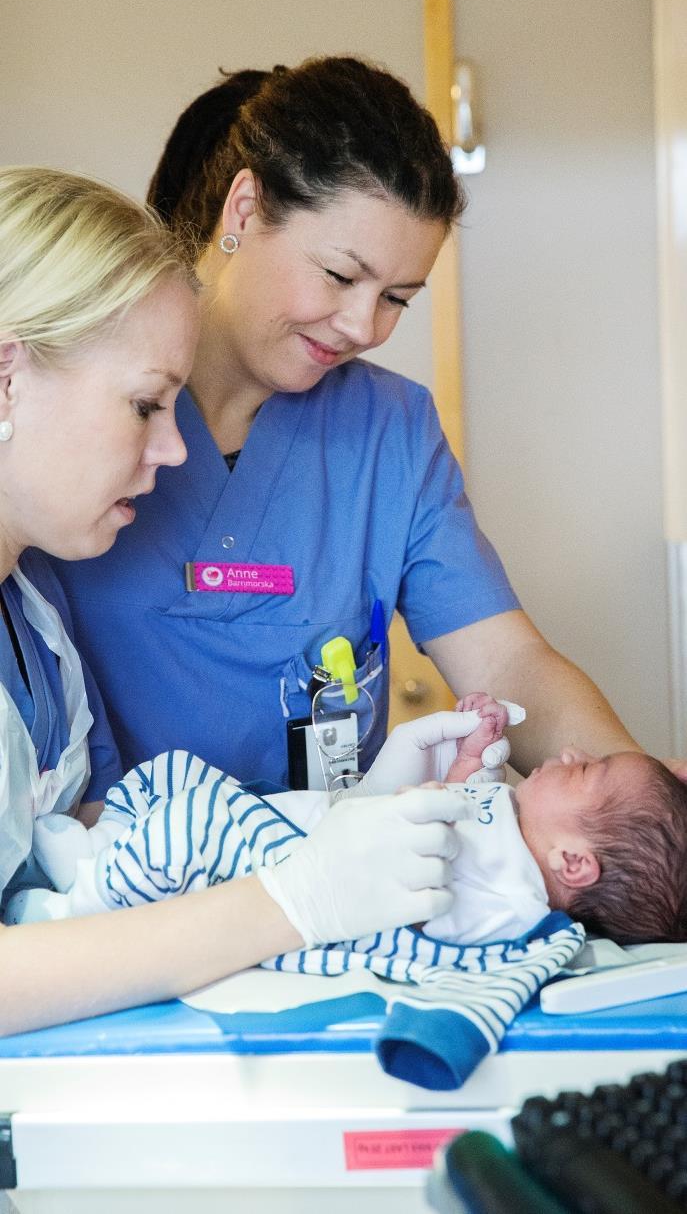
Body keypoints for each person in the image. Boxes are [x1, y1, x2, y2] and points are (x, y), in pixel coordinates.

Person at [51, 57, 649, 788]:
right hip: (125, 885)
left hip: (344, 885)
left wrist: (637, 796)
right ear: (242, 210)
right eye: (339, 276)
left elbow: (504, 661)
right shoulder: (76, 391)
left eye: (397, 297)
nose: (362, 325)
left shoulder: (388, 430)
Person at [0, 164, 480, 1038]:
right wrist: (291, 901)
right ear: (6, 377)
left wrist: (336, 817)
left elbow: (73, 847)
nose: (174, 450)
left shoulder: (31, 624)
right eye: (145, 404)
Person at [10, 694, 685, 947]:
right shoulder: (510, 823)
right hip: (313, 822)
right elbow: (454, 813)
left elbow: (440, 910)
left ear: (574, 863)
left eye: (587, 772)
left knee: (198, 825)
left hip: (300, 865)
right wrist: (465, 761)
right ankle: (101, 845)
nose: (568, 753)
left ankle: (79, 906)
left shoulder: (514, 905)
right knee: (181, 775)